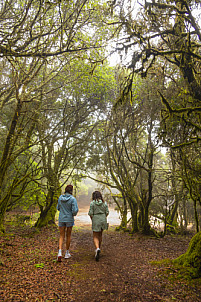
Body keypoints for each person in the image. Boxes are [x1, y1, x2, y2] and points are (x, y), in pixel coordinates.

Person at [57, 184, 78, 262]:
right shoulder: (73, 199)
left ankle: (59, 252)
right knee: (68, 235)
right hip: (69, 219)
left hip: (61, 218)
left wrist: (62, 211)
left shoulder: (60, 198)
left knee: (61, 235)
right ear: (71, 191)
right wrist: (72, 214)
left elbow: (58, 208)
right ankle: (66, 253)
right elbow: (75, 210)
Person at [88, 191, 109, 261]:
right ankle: (98, 249)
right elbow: (107, 212)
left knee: (95, 236)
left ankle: (97, 248)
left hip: (96, 219)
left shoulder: (92, 203)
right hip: (103, 219)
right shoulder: (104, 203)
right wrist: (103, 217)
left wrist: (93, 219)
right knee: (100, 235)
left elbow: (90, 213)